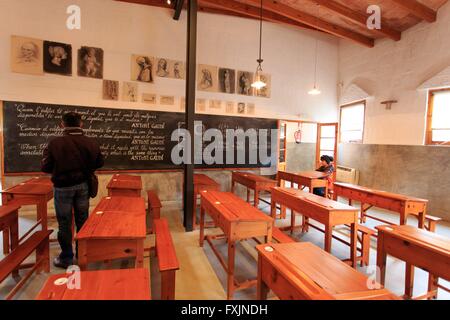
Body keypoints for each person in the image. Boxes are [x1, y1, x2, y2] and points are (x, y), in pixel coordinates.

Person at [41, 112, 104, 268]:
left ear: (62, 124)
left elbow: (45, 167)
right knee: (83, 221)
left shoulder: (54, 143)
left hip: (62, 188)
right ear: (81, 124)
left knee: (64, 223)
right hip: (83, 186)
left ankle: (66, 258)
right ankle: (83, 254)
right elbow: (99, 162)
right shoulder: (91, 142)